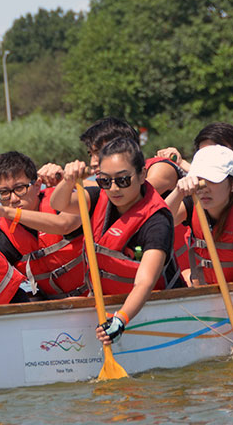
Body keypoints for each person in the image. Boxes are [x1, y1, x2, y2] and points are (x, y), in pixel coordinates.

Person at [50, 137, 183, 346]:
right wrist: (68, 180)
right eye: (105, 181)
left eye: (122, 180)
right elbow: (58, 202)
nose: (113, 188)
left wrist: (121, 319)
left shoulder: (157, 220)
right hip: (108, 305)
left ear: (141, 176)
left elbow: (145, 281)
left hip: (152, 305)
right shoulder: (96, 198)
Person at [164, 145, 233, 349]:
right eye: (200, 180)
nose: (204, 187)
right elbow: (162, 221)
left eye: (213, 180)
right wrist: (178, 192)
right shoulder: (196, 202)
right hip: (212, 291)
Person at [0, 151, 87, 300]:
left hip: (96, 296)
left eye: (20, 188)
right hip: (56, 304)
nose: (13, 199)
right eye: (4, 193)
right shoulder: (6, 239)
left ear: (38, 186)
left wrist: (5, 212)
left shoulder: (64, 204)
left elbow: (66, 225)